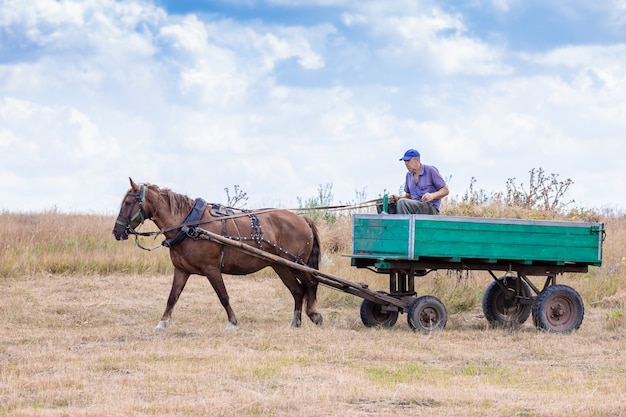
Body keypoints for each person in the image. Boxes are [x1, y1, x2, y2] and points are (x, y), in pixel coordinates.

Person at [389, 149, 449, 214]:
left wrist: (432, 196)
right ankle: (390, 224)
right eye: (405, 161)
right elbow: (408, 197)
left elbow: (445, 190)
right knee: (384, 204)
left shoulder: (430, 170)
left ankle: (404, 224)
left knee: (402, 202)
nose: (406, 163)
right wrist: (397, 198)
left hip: (429, 207)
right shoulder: (408, 175)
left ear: (416, 160)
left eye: (408, 160)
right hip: (414, 206)